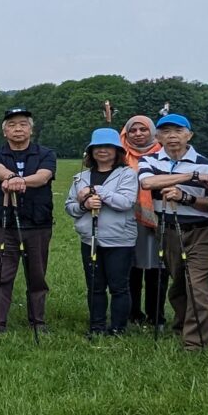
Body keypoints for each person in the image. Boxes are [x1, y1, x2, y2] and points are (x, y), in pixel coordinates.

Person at [137, 113, 208, 350]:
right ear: (158, 137)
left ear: (189, 135)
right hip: (168, 231)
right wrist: (192, 176)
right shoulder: (150, 160)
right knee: (179, 285)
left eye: (178, 131)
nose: (172, 137)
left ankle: (195, 343)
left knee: (198, 287)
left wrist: (187, 197)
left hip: (202, 231)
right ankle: (182, 324)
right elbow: (147, 183)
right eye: (166, 132)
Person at [0, 107, 58, 335]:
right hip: (5, 225)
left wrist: (19, 181)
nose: (18, 129)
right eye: (12, 125)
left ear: (31, 129)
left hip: (38, 225)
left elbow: (43, 176)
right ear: (5, 131)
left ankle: (38, 322)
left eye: (23, 124)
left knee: (37, 276)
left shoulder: (46, 154)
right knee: (2, 276)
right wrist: (10, 177)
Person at [64, 128, 140, 337]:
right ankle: (96, 326)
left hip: (119, 240)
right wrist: (84, 205)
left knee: (119, 286)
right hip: (90, 239)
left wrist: (97, 191)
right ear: (91, 151)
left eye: (108, 147)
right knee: (95, 286)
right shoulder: (80, 177)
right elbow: (70, 206)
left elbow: (125, 202)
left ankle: (117, 328)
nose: (103, 151)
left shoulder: (128, 174)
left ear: (117, 151)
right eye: (98, 147)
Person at [120, 114, 164, 328]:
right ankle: (132, 313)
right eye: (133, 131)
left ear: (152, 131)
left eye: (143, 130)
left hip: (158, 218)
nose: (138, 134)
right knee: (131, 268)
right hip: (127, 218)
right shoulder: (120, 155)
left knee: (157, 268)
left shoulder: (164, 154)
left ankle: (156, 315)